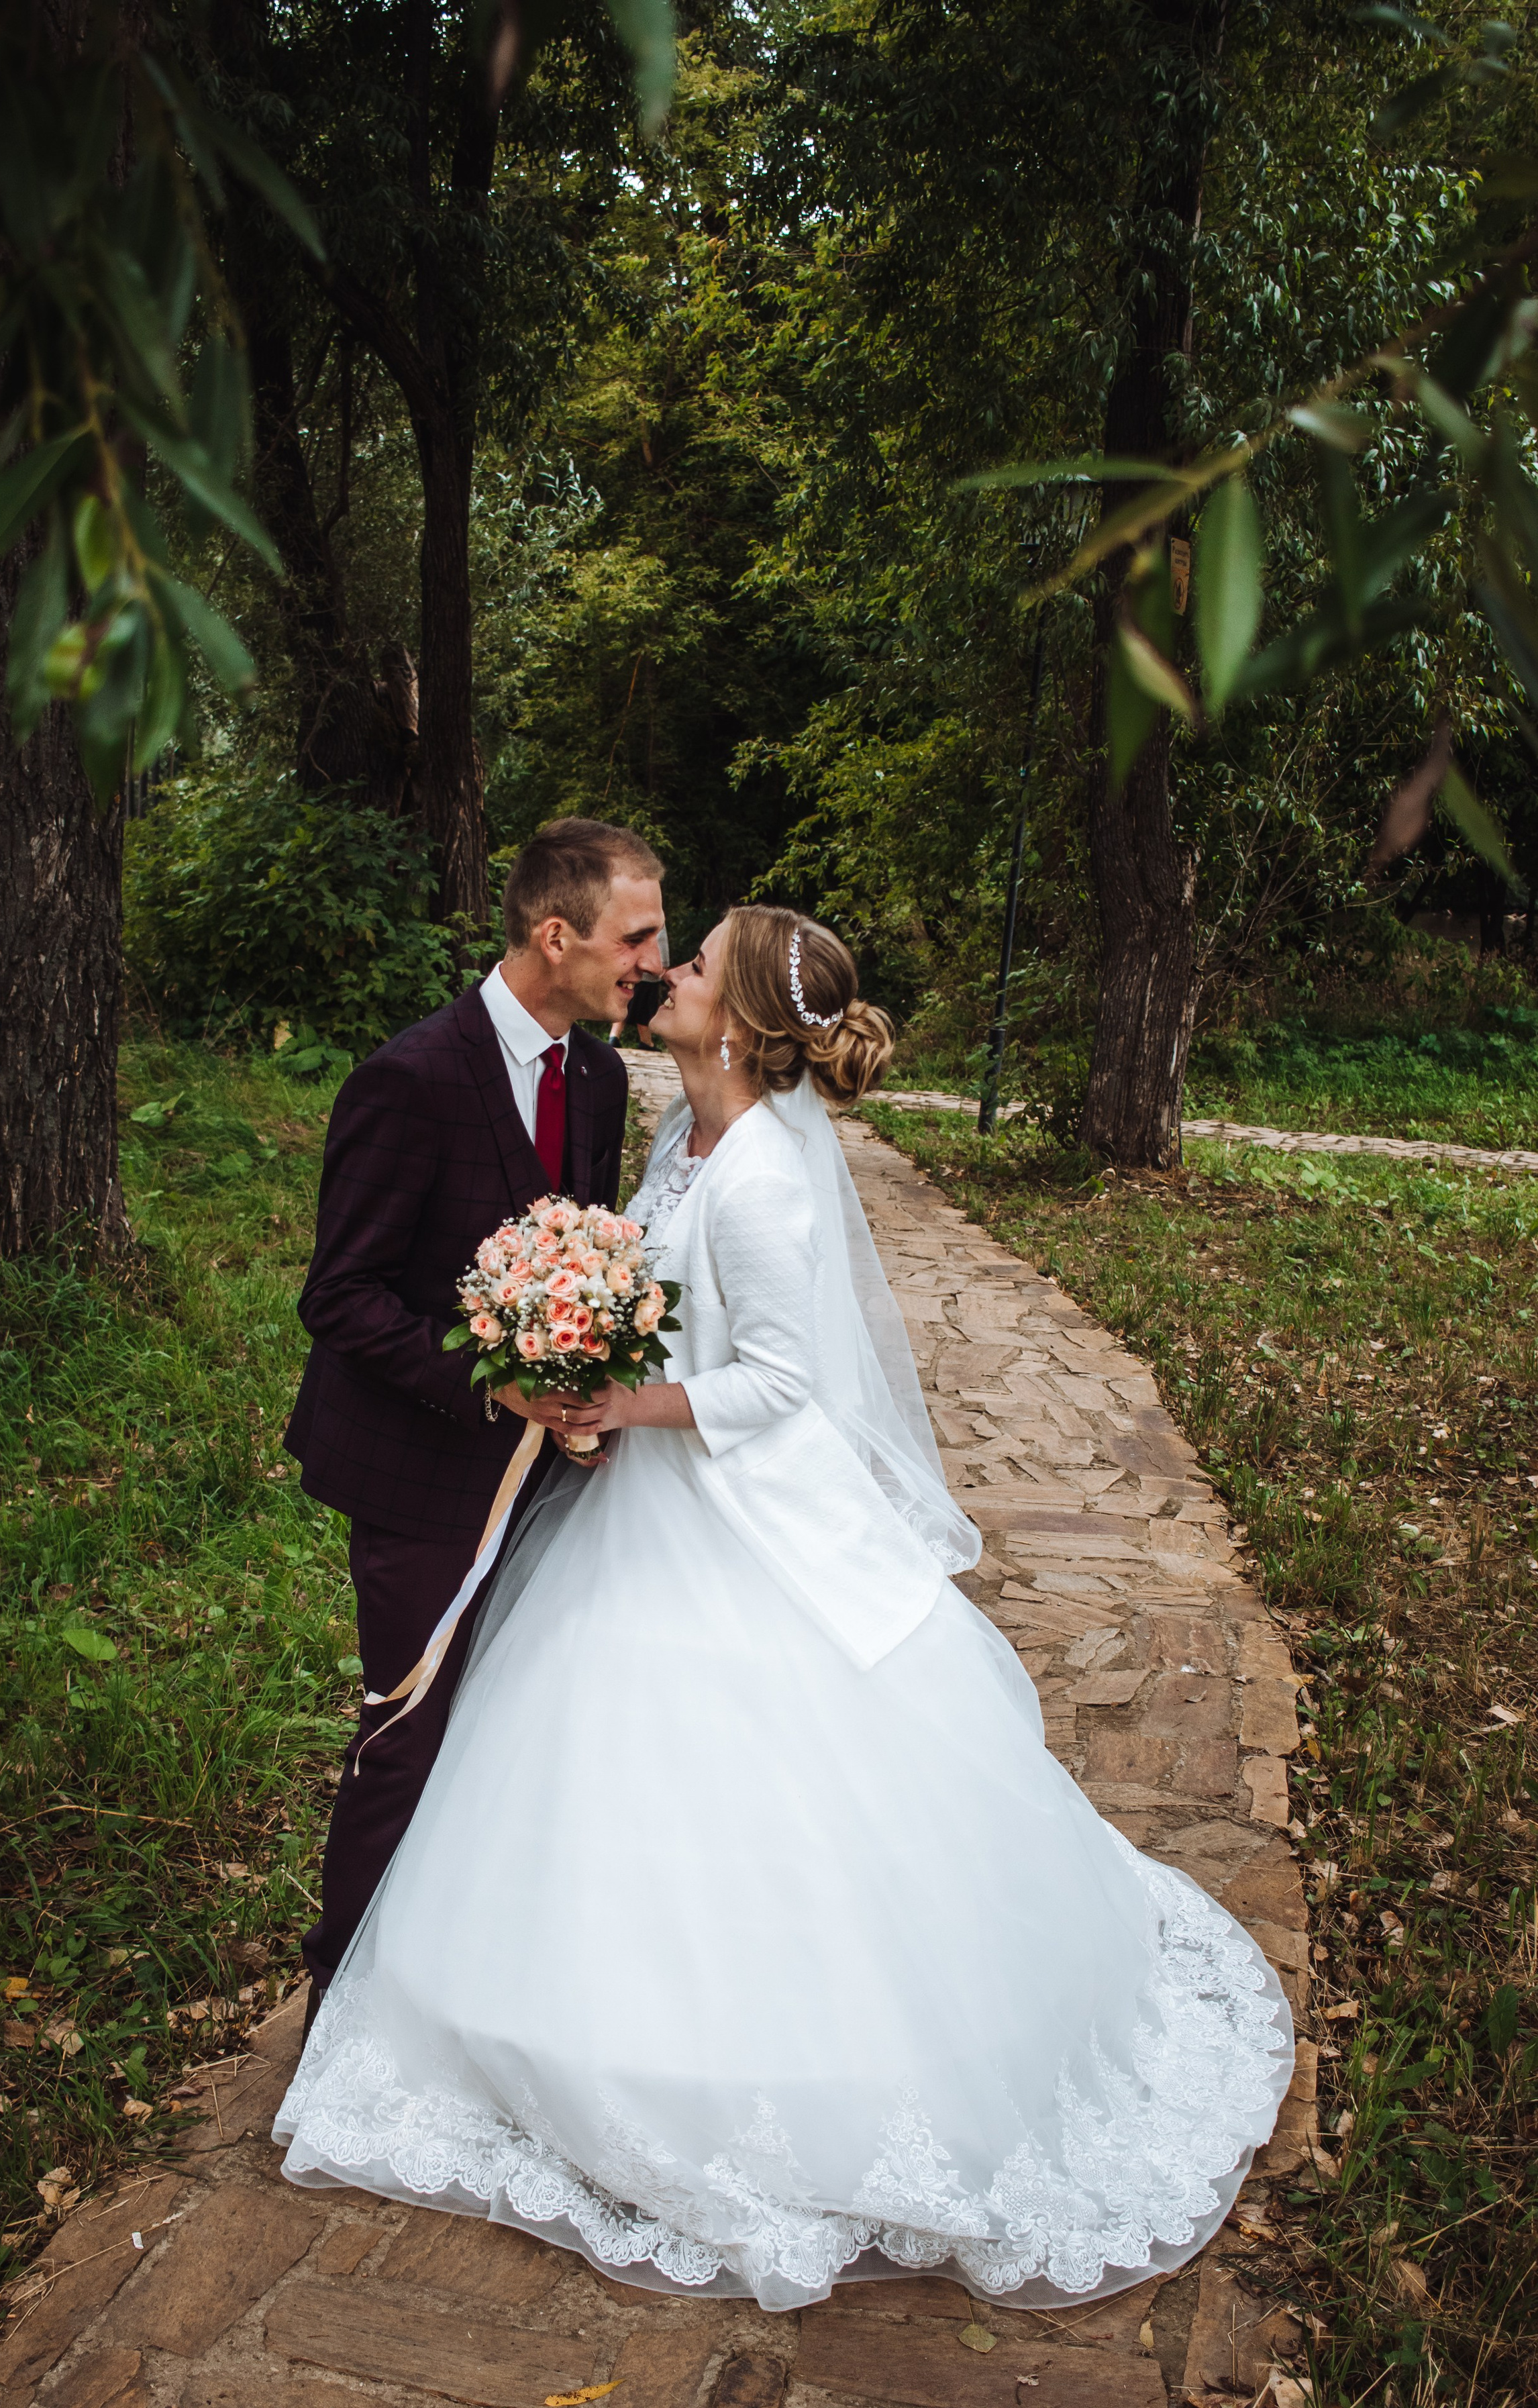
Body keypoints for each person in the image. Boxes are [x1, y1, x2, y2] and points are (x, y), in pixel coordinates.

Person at [274, 905, 1294, 2311]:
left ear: (745, 1024)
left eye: (691, 966)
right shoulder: (676, 1136)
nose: (667, 973)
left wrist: (615, 1400)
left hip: (727, 1513)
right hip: (637, 1502)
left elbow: (775, 1384)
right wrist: (575, 1369)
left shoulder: (760, 1178)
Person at [283, 817, 666, 2034]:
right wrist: (489, 1389)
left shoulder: (600, 1081)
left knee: (510, 1730)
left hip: (547, 1476)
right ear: (556, 936)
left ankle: (464, 1985)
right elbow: (337, 1295)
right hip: (415, 1475)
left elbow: (574, 1261)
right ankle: (338, 1999)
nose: (651, 961)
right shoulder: (409, 1078)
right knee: (405, 1730)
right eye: (635, 936)